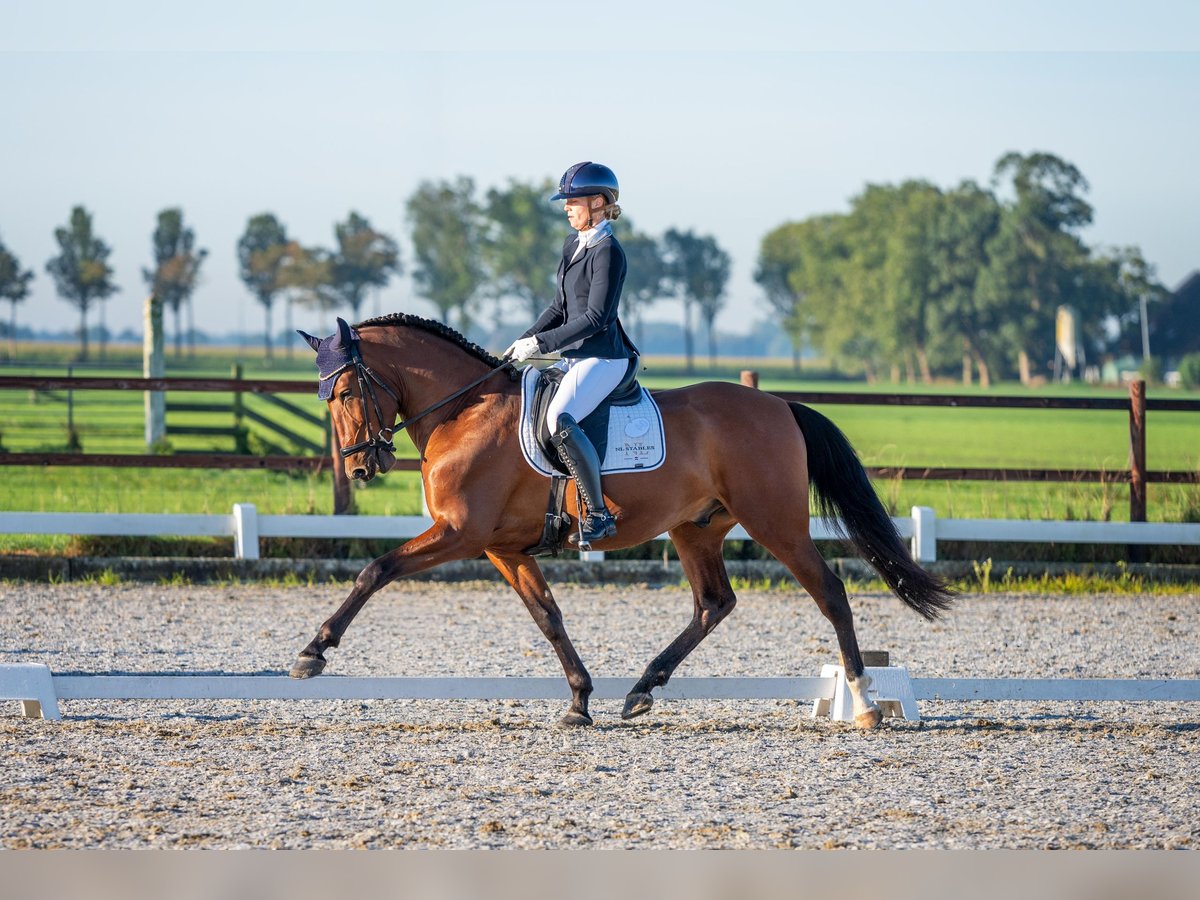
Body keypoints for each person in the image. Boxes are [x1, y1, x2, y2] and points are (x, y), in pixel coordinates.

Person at [504, 160, 638, 545]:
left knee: (560, 420)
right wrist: (525, 340)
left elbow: (596, 317)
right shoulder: (573, 244)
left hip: (603, 357)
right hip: (574, 356)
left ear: (598, 202)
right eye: (565, 201)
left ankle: (598, 515)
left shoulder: (608, 251)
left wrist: (543, 345)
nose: (566, 207)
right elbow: (558, 307)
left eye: (573, 201)